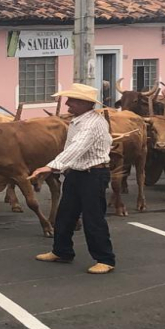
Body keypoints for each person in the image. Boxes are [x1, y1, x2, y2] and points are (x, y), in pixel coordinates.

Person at [29, 83, 115, 275]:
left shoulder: (93, 123)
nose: (68, 104)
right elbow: (71, 149)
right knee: (65, 215)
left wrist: (51, 166)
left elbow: (77, 147)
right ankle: (62, 251)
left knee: (93, 218)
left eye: (73, 101)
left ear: (86, 103)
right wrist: (61, 167)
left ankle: (105, 259)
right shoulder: (77, 120)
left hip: (94, 175)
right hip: (76, 173)